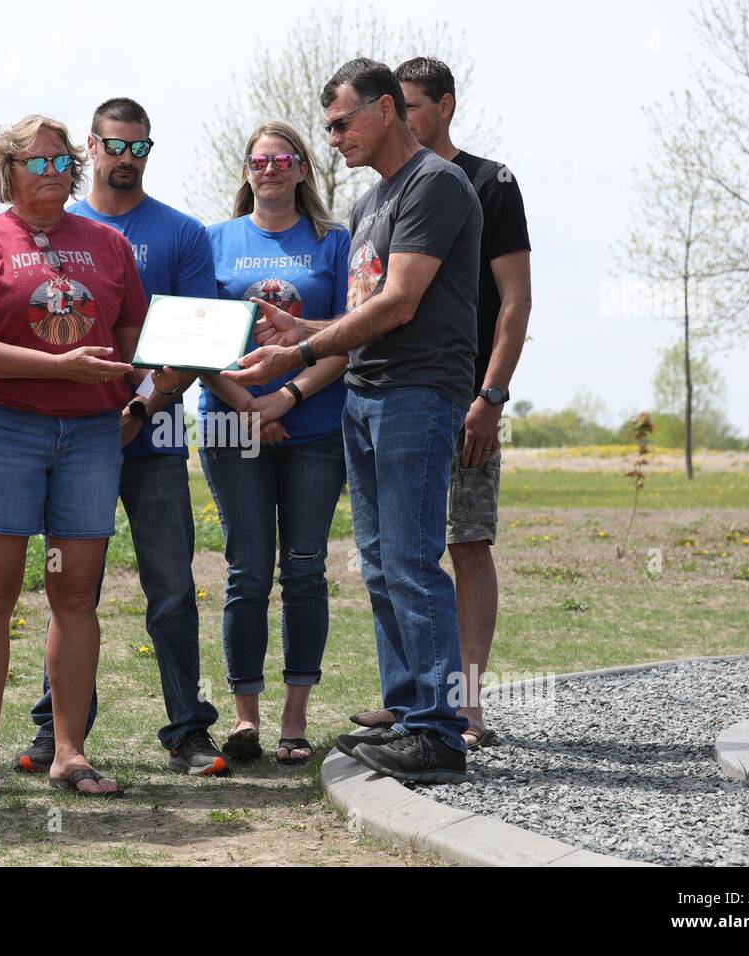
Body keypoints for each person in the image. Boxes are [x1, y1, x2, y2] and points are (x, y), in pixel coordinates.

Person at [225, 59, 481, 784]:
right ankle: (407, 714)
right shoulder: (371, 205)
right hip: (365, 398)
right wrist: (297, 328)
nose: (331, 136)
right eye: (329, 125)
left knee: (410, 560)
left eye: (340, 122)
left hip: (417, 395)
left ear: (387, 109)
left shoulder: (434, 185)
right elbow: (362, 316)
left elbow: (399, 303)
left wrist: (299, 350)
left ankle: (438, 733)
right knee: (377, 564)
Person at [0, 114, 150, 799]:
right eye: (39, 161)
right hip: (7, 430)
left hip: (92, 435)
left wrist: (184, 352)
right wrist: (60, 368)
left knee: (75, 595)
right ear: (9, 170)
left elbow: (134, 337)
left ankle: (69, 752)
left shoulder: (109, 243)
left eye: (63, 161)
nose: (56, 171)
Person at [17, 97, 229, 778]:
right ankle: (57, 731)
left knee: (170, 590)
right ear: (91, 146)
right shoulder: (57, 230)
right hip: (72, 441)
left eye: (140, 147)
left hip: (153, 442)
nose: (127, 158)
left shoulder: (183, 235)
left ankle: (189, 733)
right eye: (115, 145)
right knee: (69, 592)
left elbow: (198, 343)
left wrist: (138, 408)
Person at [346, 58, 532, 751]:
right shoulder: (372, 201)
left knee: (463, 539)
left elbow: (514, 301)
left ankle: (462, 706)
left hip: (455, 393)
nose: (405, 111)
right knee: (391, 552)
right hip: (383, 393)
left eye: (415, 102)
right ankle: (415, 706)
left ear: (442, 106)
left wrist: (491, 392)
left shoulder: (484, 183)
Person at [198, 120, 350, 766]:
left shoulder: (334, 242)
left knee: (307, 569)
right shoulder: (212, 242)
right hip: (232, 426)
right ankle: (244, 718)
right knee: (247, 570)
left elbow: (349, 336)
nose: (271, 169)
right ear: (246, 170)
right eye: (260, 159)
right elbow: (195, 339)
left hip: (314, 426)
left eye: (284, 158)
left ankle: (294, 719)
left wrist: (285, 398)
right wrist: (249, 405)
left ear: (303, 169)